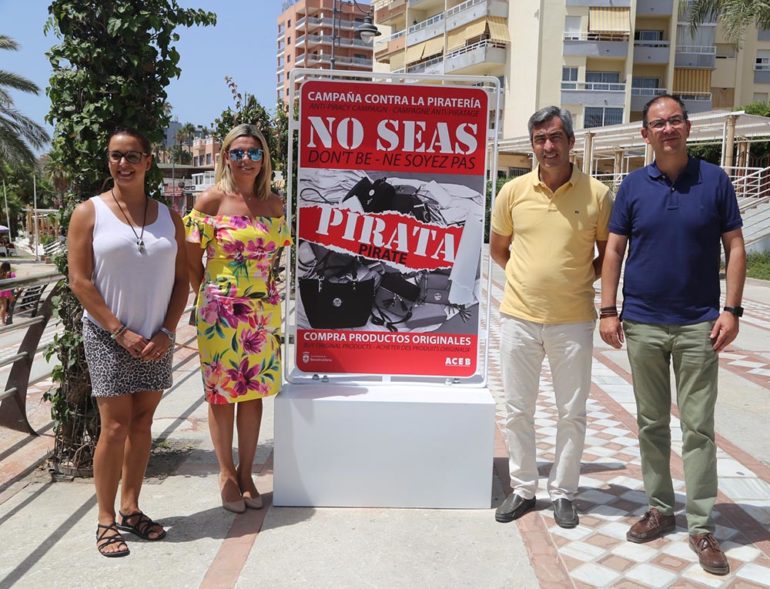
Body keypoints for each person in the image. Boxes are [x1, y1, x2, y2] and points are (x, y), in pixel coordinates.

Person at [600, 95, 746, 576]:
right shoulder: (633, 186)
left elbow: (735, 246)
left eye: (675, 121)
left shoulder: (716, 181)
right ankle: (661, 508)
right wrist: (608, 309)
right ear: (646, 135)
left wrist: (731, 310)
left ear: (688, 127)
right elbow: (615, 250)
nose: (668, 129)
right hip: (641, 322)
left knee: (699, 427)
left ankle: (702, 526)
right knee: (650, 422)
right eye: (658, 124)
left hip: (698, 325)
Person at [68, 128, 189, 557]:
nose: (124, 164)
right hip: (107, 335)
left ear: (148, 162)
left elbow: (182, 280)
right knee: (115, 426)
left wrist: (167, 332)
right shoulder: (88, 213)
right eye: (116, 156)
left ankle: (131, 508)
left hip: (156, 337)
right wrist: (119, 331)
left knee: (142, 424)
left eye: (132, 156)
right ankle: (105, 520)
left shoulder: (169, 217)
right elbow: (79, 282)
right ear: (108, 161)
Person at [490, 106, 612, 528]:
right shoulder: (513, 192)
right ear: (532, 146)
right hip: (519, 318)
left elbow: (608, 256)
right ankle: (523, 489)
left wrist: (575, 281)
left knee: (571, 411)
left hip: (574, 320)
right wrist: (529, 281)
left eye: (555, 137)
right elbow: (499, 249)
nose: (548, 146)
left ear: (571, 142)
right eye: (540, 139)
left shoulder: (597, 194)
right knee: (517, 409)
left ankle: (563, 492)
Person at [184, 124, 291, 514]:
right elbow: (191, 260)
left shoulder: (273, 204)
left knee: (253, 394)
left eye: (254, 152)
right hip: (220, 312)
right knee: (221, 396)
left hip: (262, 311)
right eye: (238, 152)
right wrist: (211, 295)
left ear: (265, 159)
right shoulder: (209, 201)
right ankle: (226, 474)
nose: (246, 159)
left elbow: (275, 258)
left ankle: (247, 474)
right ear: (225, 156)